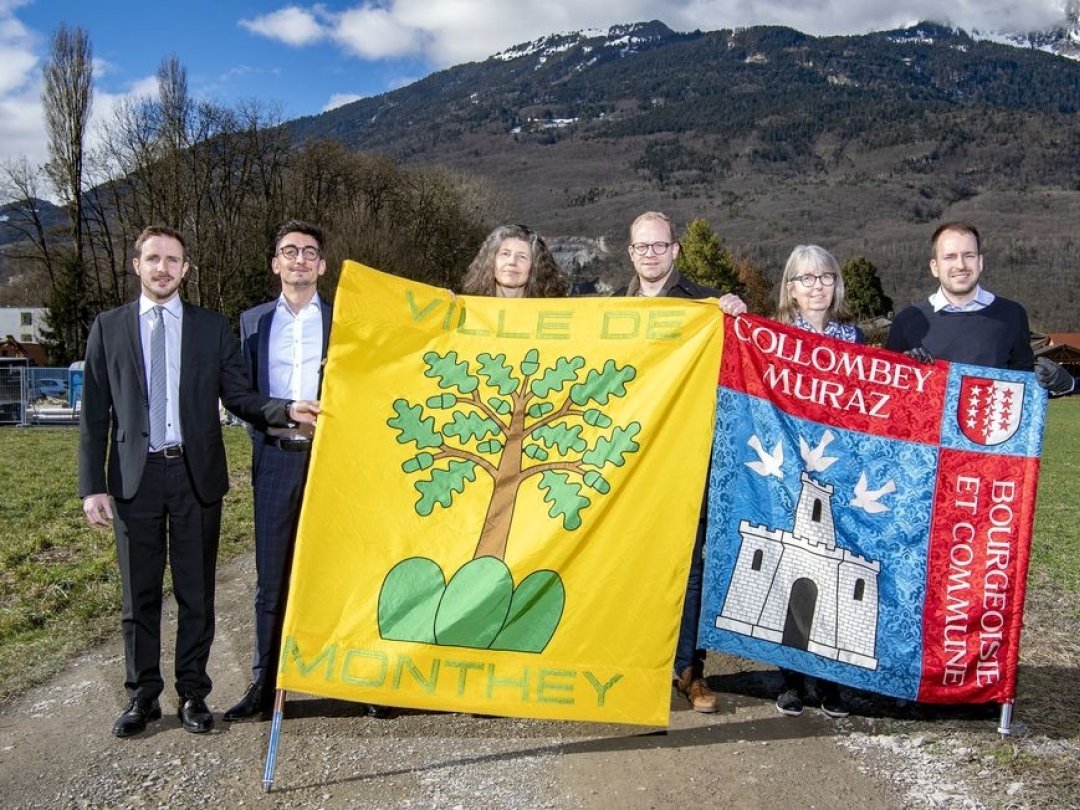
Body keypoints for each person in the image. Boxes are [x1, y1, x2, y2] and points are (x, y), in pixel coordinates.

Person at [79, 225, 319, 738]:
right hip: (133, 479)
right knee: (138, 596)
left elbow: (240, 395)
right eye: (153, 259)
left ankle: (192, 693)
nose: (162, 268)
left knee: (196, 593)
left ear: (185, 269)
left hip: (194, 476)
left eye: (172, 260)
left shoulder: (211, 329)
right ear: (137, 265)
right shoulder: (109, 328)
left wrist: (285, 410)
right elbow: (94, 413)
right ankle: (142, 697)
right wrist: (90, 485)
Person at [622, 210, 746, 713]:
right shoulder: (609, 310)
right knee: (630, 562)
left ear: (676, 250)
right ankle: (633, 662)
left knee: (689, 566)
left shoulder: (704, 306)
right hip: (629, 462)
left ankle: (688, 670)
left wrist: (734, 311)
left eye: (660, 245)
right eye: (641, 246)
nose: (651, 254)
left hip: (688, 457)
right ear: (630, 253)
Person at [223, 220, 333, 722]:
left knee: (334, 571)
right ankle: (264, 684)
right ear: (275, 263)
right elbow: (239, 395)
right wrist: (284, 411)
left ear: (322, 265)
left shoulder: (343, 321)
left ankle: (346, 679)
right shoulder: (253, 322)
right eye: (290, 252)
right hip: (274, 457)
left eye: (309, 253)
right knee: (272, 580)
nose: (299, 260)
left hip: (330, 462)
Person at [773, 244, 861, 718]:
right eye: (805, 278)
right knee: (793, 574)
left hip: (840, 471)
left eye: (825, 276)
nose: (816, 286)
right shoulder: (774, 338)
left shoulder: (854, 336)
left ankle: (830, 680)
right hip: (791, 471)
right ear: (790, 288)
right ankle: (790, 678)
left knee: (835, 571)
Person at [885, 222, 1033, 370]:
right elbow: (886, 388)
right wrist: (905, 368)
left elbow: (1026, 384)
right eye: (950, 257)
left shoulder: (1012, 315)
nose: (961, 265)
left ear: (980, 262)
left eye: (969, 255)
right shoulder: (906, 322)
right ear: (935, 267)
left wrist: (1052, 385)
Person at [461, 223, 569, 298]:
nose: (512, 262)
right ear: (491, 261)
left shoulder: (552, 311)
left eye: (522, 257)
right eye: (505, 254)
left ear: (535, 267)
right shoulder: (467, 310)